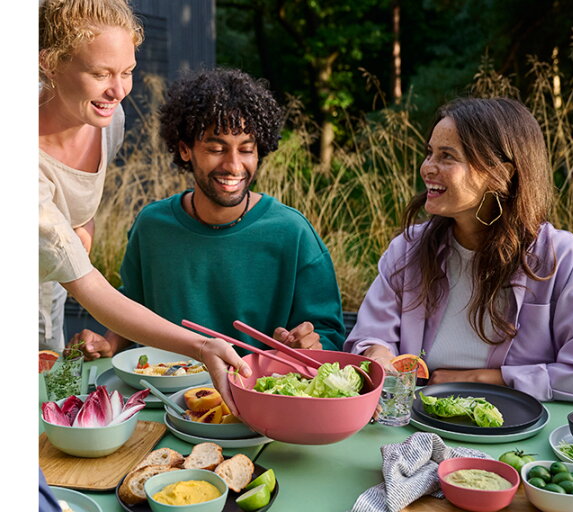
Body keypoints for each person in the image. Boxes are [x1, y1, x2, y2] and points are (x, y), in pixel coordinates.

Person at [39, 0, 250, 414]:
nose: (118, 91)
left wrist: (82, 227)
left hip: (48, 300)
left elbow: (81, 201)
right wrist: (202, 345)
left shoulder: (107, 120)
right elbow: (93, 289)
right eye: (100, 74)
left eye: (127, 72)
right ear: (49, 63)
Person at [344, 97, 573, 405]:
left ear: (501, 174)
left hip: (519, 437)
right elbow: (369, 337)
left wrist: (489, 380)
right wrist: (376, 354)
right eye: (429, 153)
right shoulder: (408, 249)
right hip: (417, 426)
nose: (427, 168)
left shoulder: (561, 258)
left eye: (447, 156)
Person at [70, 68, 346, 360]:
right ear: (185, 149)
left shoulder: (293, 232)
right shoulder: (152, 227)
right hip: (161, 396)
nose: (234, 165)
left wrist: (309, 346)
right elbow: (135, 306)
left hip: (256, 397)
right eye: (216, 148)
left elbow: (330, 336)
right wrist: (108, 343)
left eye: (247, 150)